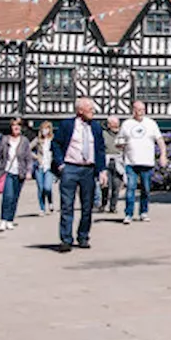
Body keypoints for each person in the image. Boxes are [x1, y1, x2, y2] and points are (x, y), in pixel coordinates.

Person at [51, 98, 108, 253]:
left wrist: (102, 170)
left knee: (87, 206)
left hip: (88, 169)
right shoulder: (67, 125)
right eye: (90, 109)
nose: (93, 112)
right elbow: (55, 144)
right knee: (67, 205)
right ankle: (66, 239)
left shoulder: (95, 127)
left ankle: (83, 236)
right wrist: (60, 164)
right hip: (70, 167)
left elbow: (101, 150)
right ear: (80, 110)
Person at [117, 101, 168, 223]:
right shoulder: (127, 124)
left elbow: (160, 140)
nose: (141, 112)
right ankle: (128, 214)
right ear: (133, 110)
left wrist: (163, 155)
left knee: (146, 189)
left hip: (147, 162)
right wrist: (120, 145)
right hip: (131, 162)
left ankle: (143, 212)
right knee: (131, 188)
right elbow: (119, 140)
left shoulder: (151, 123)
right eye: (138, 110)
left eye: (143, 110)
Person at [0, 117, 35, 231]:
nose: (16, 127)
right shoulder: (5, 140)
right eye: (14, 125)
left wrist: (29, 171)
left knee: (15, 197)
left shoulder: (24, 141)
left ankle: (10, 220)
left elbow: (28, 158)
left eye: (18, 125)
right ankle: (3, 220)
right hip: (7, 171)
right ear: (11, 128)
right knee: (8, 196)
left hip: (20, 172)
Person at [100, 117, 126, 213]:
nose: (116, 126)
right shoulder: (104, 134)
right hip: (106, 160)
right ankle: (103, 203)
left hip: (118, 161)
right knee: (105, 185)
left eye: (117, 123)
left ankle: (113, 206)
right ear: (109, 125)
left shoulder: (122, 134)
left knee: (116, 185)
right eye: (113, 124)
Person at [31, 122, 56, 213]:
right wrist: (36, 157)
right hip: (40, 166)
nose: (45, 131)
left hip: (49, 166)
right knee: (40, 188)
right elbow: (28, 148)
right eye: (43, 129)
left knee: (47, 187)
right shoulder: (38, 140)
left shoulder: (53, 139)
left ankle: (50, 202)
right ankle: (42, 208)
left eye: (47, 128)